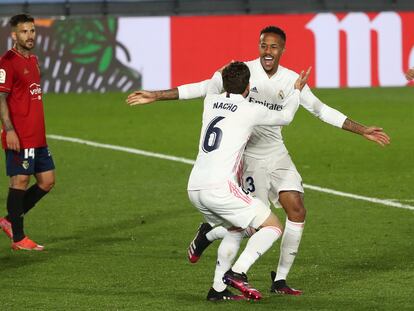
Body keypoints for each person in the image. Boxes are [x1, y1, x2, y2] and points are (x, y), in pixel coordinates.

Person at [126, 26, 390, 295]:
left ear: (282, 50)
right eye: (264, 45)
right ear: (259, 47)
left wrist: (362, 129)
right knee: (250, 228)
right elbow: (204, 87)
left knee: (296, 209)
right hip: (248, 158)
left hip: (276, 153)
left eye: (274, 47)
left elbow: (321, 110)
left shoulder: (290, 79)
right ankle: (214, 249)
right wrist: (157, 95)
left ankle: (279, 281)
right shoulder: (243, 73)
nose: (268, 51)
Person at [186, 61, 309, 300]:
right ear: (249, 86)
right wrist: (296, 90)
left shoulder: (210, 100)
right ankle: (237, 273)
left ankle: (217, 289)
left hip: (194, 187)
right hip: (221, 188)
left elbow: (212, 84)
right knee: (272, 226)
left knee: (236, 228)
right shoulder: (249, 109)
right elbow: (286, 116)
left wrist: (221, 70)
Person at [0, 14, 55, 251]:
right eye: (24, 32)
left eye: (32, 31)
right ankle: (19, 238)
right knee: (20, 180)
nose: (30, 36)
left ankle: (10, 220)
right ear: (14, 35)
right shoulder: (7, 62)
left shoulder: (33, 61)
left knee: (47, 181)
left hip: (37, 136)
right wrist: (9, 130)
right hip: (19, 136)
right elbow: (1, 97)